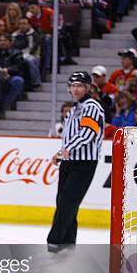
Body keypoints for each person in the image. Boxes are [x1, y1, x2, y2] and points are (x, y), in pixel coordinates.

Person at [47, 71, 104, 253]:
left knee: (68, 201)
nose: (76, 88)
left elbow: (87, 134)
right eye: (73, 85)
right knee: (64, 201)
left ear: (88, 87)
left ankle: (54, 241)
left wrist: (63, 152)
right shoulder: (73, 110)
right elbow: (69, 137)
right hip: (69, 162)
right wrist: (62, 154)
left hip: (84, 163)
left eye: (80, 85)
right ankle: (68, 242)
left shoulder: (92, 107)